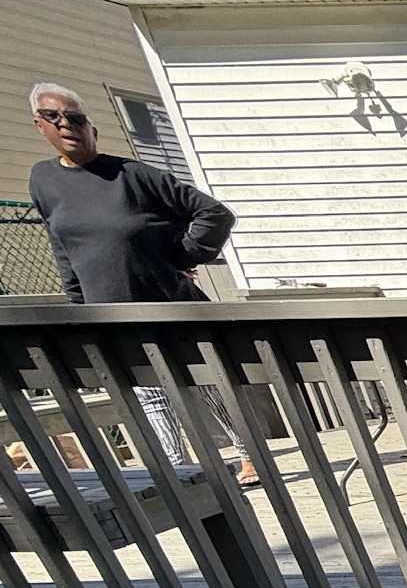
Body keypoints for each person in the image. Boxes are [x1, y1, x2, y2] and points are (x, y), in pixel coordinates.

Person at [26, 82, 258, 487]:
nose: (67, 125)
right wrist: (80, 309)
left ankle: (248, 456)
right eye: (54, 117)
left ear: (93, 128)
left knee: (203, 384)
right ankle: (180, 471)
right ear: (39, 125)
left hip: (168, 306)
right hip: (110, 312)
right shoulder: (43, 179)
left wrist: (181, 257)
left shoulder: (133, 174)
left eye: (76, 117)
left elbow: (213, 213)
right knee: (149, 394)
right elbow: (61, 244)